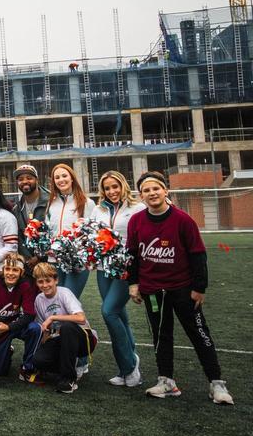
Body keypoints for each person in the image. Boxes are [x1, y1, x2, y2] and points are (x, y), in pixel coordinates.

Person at [126, 171, 232, 405]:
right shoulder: (136, 221)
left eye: (156, 188)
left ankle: (216, 383)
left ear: (166, 191)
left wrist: (199, 287)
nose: (152, 193)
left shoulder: (183, 220)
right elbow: (132, 254)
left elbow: (198, 255)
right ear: (141, 196)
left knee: (199, 334)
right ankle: (166, 381)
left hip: (183, 288)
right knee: (161, 335)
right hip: (153, 290)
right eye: (146, 190)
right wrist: (133, 283)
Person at [89, 170, 145, 387]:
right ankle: (126, 366)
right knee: (120, 315)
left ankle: (129, 365)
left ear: (123, 186)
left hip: (126, 268)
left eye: (115, 186)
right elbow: (92, 235)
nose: (112, 191)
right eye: (107, 188)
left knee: (109, 311)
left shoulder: (137, 207)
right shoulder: (98, 209)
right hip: (104, 268)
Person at [24, 262, 96, 393]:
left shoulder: (64, 293)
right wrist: (44, 346)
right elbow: (44, 328)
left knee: (67, 327)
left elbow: (81, 318)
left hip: (83, 339)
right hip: (58, 338)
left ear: (56, 280)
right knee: (38, 360)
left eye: (48, 281)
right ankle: (69, 365)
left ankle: (68, 379)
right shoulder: (39, 299)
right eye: (40, 282)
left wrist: (53, 317)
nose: (45, 285)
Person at [45, 163, 97, 297]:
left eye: (64, 176)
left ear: (72, 178)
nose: (61, 180)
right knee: (57, 300)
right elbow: (47, 230)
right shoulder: (51, 203)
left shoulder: (87, 203)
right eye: (57, 177)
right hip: (54, 260)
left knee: (69, 298)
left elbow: (93, 233)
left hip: (76, 261)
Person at [12, 165, 49, 261]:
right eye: (20, 179)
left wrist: (40, 256)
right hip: (28, 263)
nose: (25, 181)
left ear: (37, 180)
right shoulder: (16, 208)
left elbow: (54, 231)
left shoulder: (50, 201)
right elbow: (19, 237)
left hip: (49, 260)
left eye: (29, 178)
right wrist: (28, 258)